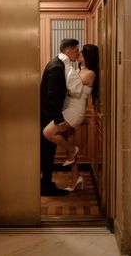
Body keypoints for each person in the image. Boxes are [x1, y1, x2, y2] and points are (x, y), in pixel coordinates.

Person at [43, 44, 99, 192]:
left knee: (48, 133)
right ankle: (76, 179)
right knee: (70, 153)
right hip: (68, 110)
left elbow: (73, 87)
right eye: (78, 51)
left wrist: (66, 64)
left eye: (82, 52)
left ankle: (71, 149)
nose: (78, 53)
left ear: (88, 56)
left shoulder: (90, 73)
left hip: (74, 112)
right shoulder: (81, 70)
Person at [40, 38, 80, 196]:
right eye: (76, 51)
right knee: (47, 152)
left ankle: (46, 184)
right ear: (68, 51)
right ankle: (46, 187)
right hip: (48, 116)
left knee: (48, 151)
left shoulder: (57, 64)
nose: (77, 54)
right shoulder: (57, 67)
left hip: (48, 115)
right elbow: (52, 98)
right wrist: (59, 121)